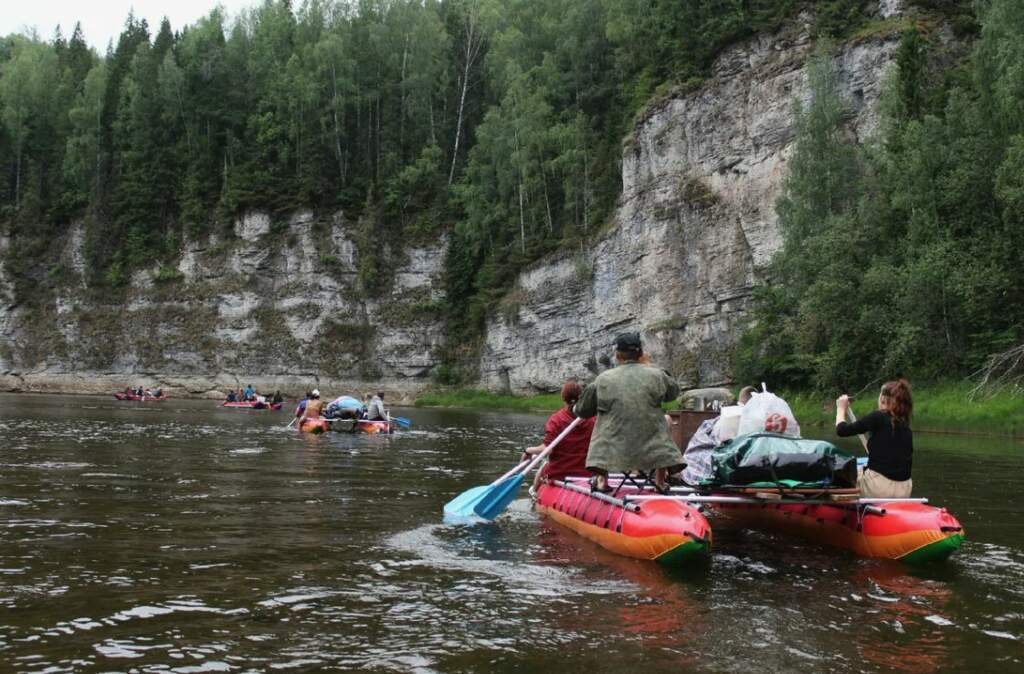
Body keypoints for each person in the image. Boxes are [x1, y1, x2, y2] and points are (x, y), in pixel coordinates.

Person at [575, 332, 682, 494]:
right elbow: (673, 393)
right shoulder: (657, 375)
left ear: (618, 355)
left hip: (615, 452)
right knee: (664, 421)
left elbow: (582, 411)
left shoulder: (603, 379)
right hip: (654, 450)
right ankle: (660, 483)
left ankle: (602, 481)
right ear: (640, 354)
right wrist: (650, 367)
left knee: (602, 421)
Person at [835, 379, 914, 498]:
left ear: (882, 399)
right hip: (904, 490)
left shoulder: (878, 416)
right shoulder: (906, 426)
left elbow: (841, 430)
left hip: (879, 488)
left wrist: (841, 408)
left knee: (842, 470)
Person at [522, 380, 595, 492]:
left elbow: (547, 450)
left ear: (563, 398)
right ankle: (534, 495)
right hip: (587, 472)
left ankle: (534, 494)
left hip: (560, 472)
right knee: (545, 464)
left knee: (544, 466)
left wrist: (528, 451)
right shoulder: (592, 419)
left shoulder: (557, 419)